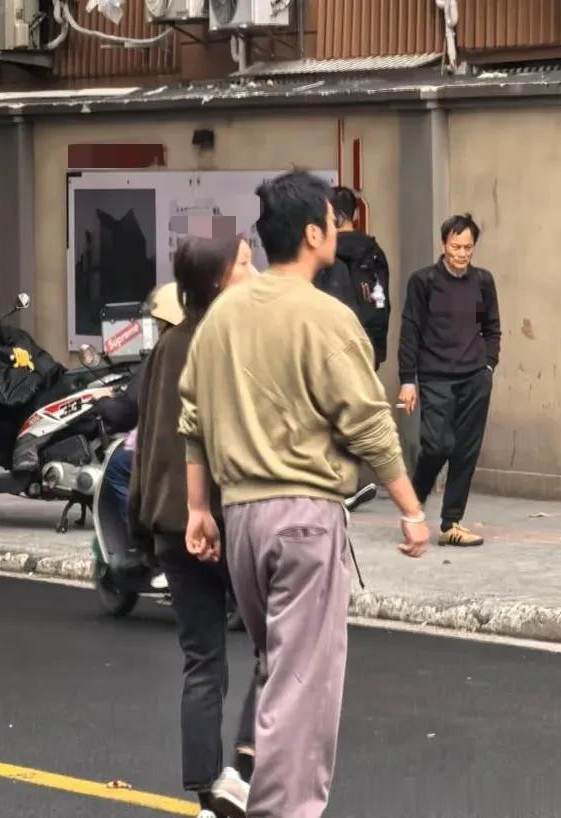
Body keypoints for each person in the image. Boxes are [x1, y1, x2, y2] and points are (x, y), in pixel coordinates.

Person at [179, 171, 429, 818]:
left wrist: (199, 509)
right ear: (314, 234)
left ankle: (250, 787)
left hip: (241, 519)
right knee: (303, 690)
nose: (340, 231)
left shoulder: (224, 314)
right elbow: (368, 424)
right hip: (305, 520)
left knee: (278, 670)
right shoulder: (327, 317)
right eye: (333, 222)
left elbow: (193, 418)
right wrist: (410, 509)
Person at [129, 236, 257, 818]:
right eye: (245, 263)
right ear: (218, 280)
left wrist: (143, 523)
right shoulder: (228, 342)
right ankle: (244, 770)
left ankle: (208, 798)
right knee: (279, 647)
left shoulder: (168, 344)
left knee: (202, 661)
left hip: (168, 523)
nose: (254, 271)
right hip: (220, 522)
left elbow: (147, 440)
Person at [398, 213, 501, 547]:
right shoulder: (423, 281)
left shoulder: (483, 281)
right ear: (444, 244)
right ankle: (414, 499)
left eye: (468, 247)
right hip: (435, 377)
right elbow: (410, 331)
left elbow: (491, 327)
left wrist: (488, 366)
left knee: (466, 450)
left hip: (475, 378)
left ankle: (451, 523)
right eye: (456, 246)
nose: (462, 253)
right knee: (438, 444)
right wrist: (408, 380)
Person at [314, 185, 392, 512]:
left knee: (324, 415)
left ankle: (336, 484)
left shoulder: (322, 254)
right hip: (365, 347)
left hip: (329, 348)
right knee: (354, 413)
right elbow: (383, 303)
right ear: (354, 215)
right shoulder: (374, 253)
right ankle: (348, 481)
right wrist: (376, 350)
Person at [97, 282, 183, 529]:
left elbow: (128, 410)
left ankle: (139, 536)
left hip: (175, 445)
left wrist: (102, 402)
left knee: (116, 467)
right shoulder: (202, 340)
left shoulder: (167, 349)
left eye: (157, 323)